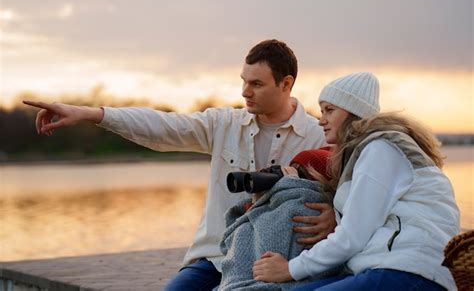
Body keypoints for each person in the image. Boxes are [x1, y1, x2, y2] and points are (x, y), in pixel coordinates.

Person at [23, 39, 335, 291]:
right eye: (243, 81)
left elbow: (354, 194)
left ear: (286, 83)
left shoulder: (317, 137)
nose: (244, 92)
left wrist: (333, 216)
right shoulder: (223, 124)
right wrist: (90, 114)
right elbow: (161, 126)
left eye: (256, 83)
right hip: (215, 256)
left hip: (276, 263)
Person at [252, 72, 460, 290]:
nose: (322, 120)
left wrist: (290, 268)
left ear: (354, 113)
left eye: (330, 110)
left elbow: (353, 235)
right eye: (322, 111)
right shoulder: (363, 153)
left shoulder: (381, 149)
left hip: (411, 269)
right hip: (384, 267)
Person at [219, 148, 344, 291]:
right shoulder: (281, 209)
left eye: (301, 172)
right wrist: (259, 202)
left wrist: (290, 188)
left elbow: (230, 241)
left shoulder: (305, 210)